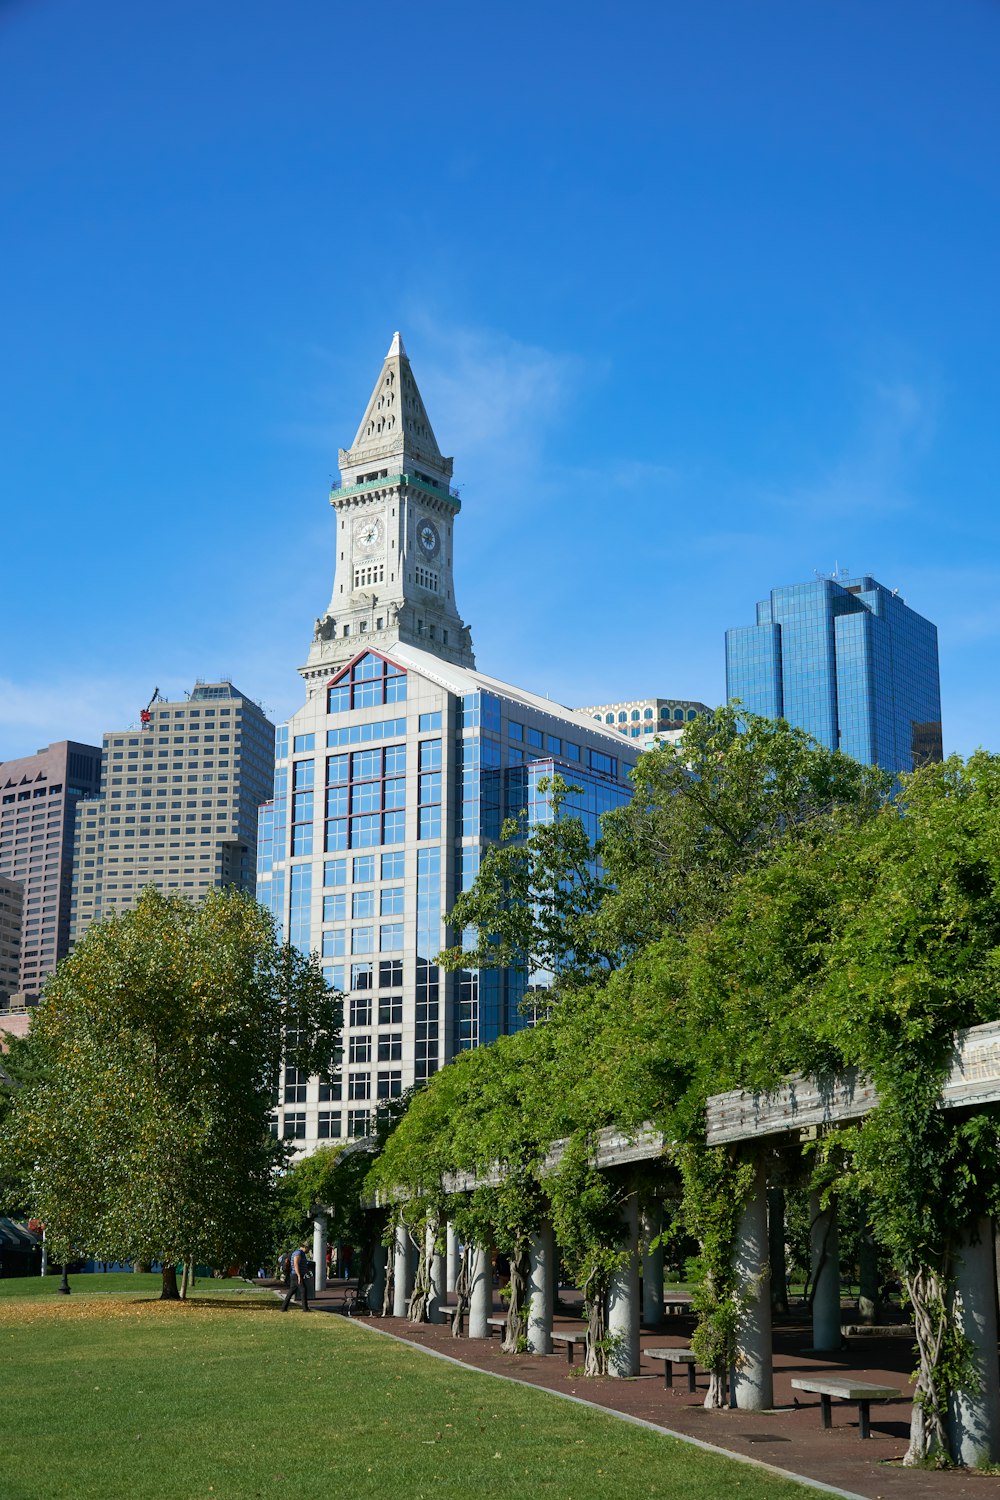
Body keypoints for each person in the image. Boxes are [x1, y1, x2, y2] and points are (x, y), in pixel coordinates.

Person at [281, 1244, 311, 1312]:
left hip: (296, 1275)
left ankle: (283, 1308)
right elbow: (295, 1264)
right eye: (308, 1248)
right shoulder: (298, 1253)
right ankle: (305, 1308)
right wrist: (299, 1275)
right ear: (305, 1247)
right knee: (303, 1290)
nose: (309, 1250)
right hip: (296, 1275)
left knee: (291, 1291)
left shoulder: (301, 1253)